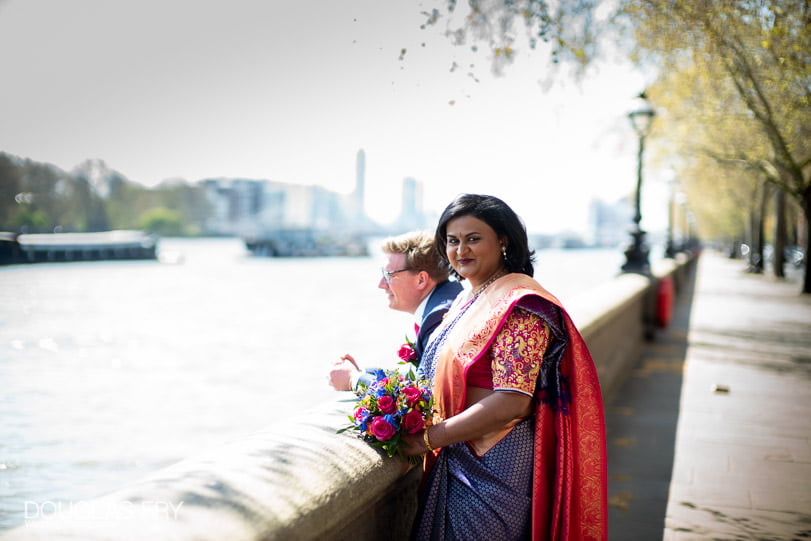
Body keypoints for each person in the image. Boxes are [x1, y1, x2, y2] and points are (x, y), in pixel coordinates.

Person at [401, 194, 608, 540]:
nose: (460, 250)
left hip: (494, 462)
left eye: (473, 238)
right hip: (456, 452)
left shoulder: (520, 305)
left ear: (503, 240)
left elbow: (513, 401)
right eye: (452, 241)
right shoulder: (469, 298)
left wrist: (427, 439)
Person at [328, 230, 463, 391]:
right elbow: (423, 375)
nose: (381, 284)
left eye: (389, 275)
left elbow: (424, 397)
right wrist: (367, 373)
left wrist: (354, 380)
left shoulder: (439, 317)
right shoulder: (445, 302)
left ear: (421, 279)